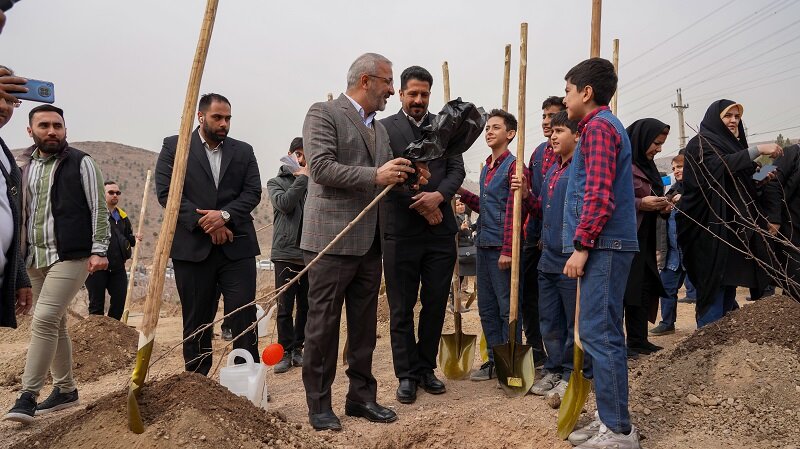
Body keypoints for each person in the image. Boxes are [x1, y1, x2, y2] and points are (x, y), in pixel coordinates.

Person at [300, 53, 427, 431]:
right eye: (388, 82)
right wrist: (377, 174)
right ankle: (319, 405)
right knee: (323, 327)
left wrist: (408, 174)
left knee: (363, 327)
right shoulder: (323, 113)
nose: (393, 89)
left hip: (370, 244)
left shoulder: (380, 129)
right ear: (367, 80)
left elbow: (385, 176)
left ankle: (361, 397)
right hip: (331, 241)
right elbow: (320, 168)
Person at [4, 105, 110, 424]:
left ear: (65, 129)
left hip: (72, 255)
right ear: (30, 130)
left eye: (58, 125)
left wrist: (99, 249)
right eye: (45, 125)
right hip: (34, 257)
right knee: (57, 322)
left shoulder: (81, 162)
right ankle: (65, 389)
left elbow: (98, 209)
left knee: (45, 317)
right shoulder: (21, 165)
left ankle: (27, 396)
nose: (52, 131)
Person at [560, 58, 641, 448]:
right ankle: (612, 418)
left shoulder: (599, 129)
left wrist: (581, 245)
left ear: (586, 92)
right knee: (600, 332)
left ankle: (619, 431)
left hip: (605, 244)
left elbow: (598, 194)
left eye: (568, 90)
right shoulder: (599, 127)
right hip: (607, 243)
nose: (565, 98)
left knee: (601, 334)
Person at [155, 93, 262, 375]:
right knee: (197, 319)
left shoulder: (243, 151)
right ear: (201, 116)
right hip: (192, 249)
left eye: (227, 118)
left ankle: (248, 377)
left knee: (243, 314)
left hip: (236, 247)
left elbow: (252, 193)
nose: (224, 123)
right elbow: (168, 194)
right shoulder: (175, 147)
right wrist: (208, 223)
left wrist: (224, 216)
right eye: (218, 117)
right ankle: (197, 383)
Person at [379, 65, 465, 404]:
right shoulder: (383, 130)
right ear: (400, 94)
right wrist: (422, 203)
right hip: (400, 231)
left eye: (424, 94)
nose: (418, 100)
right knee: (401, 308)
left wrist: (439, 198)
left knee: (433, 304)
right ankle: (406, 375)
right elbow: (385, 176)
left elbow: (456, 168)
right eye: (412, 93)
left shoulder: (444, 128)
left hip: (440, 233)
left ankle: (426, 368)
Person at [677, 100, 782, 327]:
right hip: (709, 231)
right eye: (728, 116)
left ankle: (720, 349)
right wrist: (758, 150)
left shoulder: (732, 146)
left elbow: (737, 186)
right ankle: (705, 348)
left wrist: (759, 177)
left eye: (737, 116)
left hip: (732, 233)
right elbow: (718, 168)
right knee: (712, 290)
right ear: (716, 118)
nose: (734, 120)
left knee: (728, 289)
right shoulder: (700, 144)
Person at [512, 111, 579, 400]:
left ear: (577, 135)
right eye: (551, 131)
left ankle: (569, 373)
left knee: (571, 321)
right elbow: (541, 211)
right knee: (549, 319)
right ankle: (552, 368)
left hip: (570, 256)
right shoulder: (553, 172)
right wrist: (527, 196)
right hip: (548, 256)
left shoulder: (581, 170)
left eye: (560, 131)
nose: (552, 135)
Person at [458, 108, 526, 382]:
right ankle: (494, 361)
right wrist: (463, 193)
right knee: (486, 307)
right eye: (487, 128)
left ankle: (511, 362)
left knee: (506, 307)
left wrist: (509, 249)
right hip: (483, 245)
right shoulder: (487, 167)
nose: (488, 131)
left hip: (501, 247)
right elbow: (488, 207)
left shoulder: (514, 168)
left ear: (509, 134)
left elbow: (514, 212)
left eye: (495, 128)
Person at [521, 96, 565, 364]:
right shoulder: (538, 154)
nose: (547, 122)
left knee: (557, 298)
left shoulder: (572, 152)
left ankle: (561, 355)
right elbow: (532, 195)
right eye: (544, 116)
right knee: (528, 293)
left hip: (557, 238)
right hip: (533, 233)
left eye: (554, 116)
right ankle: (535, 347)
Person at [623, 119, 671, 356]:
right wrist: (641, 203)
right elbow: (614, 200)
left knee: (642, 289)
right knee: (627, 290)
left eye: (661, 144)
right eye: (656, 143)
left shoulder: (648, 166)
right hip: (625, 238)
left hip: (645, 238)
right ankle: (623, 343)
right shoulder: (622, 164)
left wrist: (663, 207)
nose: (658, 149)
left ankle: (638, 339)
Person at [268, 137, 309, 374]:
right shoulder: (276, 182)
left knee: (306, 305)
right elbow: (285, 204)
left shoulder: (316, 182)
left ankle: (298, 348)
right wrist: (303, 178)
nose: (302, 159)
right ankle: (284, 350)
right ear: (290, 155)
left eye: (306, 155)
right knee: (285, 306)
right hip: (285, 253)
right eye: (298, 154)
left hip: (308, 253)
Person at [0, 65, 31, 329]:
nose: (4, 106)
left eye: (10, 100)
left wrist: (19, 277)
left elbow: (11, 219)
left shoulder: (7, 158)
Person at [84, 181, 139, 320]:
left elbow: (129, 239)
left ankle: (113, 335)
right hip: (96, 268)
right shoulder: (92, 215)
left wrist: (135, 238)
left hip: (117, 268)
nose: (115, 195)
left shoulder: (123, 217)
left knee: (120, 302)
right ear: (103, 194)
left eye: (117, 193)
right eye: (111, 192)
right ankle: (96, 337)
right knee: (96, 305)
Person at [652, 154, 691, 335]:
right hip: (673, 252)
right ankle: (667, 323)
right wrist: (664, 210)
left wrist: (684, 200)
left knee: (708, 288)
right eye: (674, 168)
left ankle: (728, 318)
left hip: (692, 250)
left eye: (680, 167)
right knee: (667, 287)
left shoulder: (697, 190)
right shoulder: (672, 191)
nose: (676, 171)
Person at [765, 143, 800, 300]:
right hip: (790, 228)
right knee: (795, 281)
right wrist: (773, 217)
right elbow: (762, 177)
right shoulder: (791, 153)